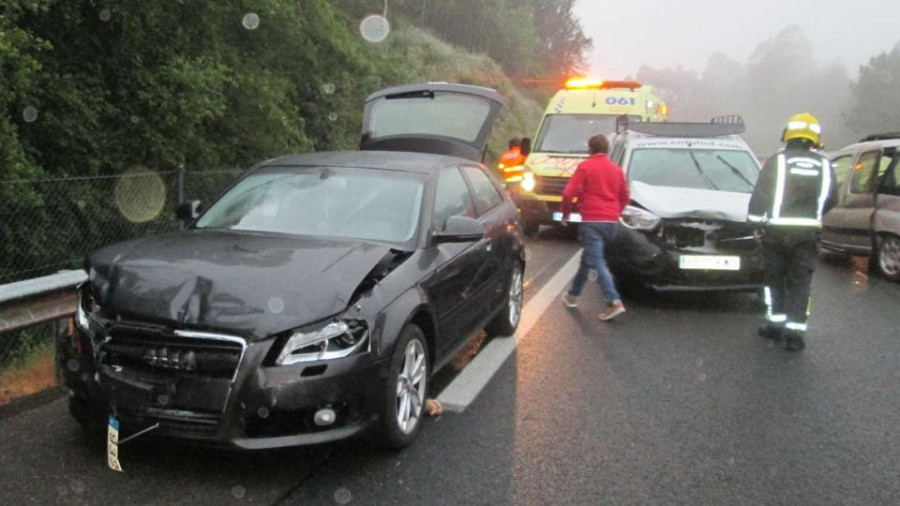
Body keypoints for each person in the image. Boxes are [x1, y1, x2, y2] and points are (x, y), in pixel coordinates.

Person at [747, 112, 837, 351]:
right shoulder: (825, 165)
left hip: (776, 233)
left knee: (774, 279)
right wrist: (812, 215)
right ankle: (795, 333)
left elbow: (761, 195)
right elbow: (831, 198)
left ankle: (775, 325)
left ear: (788, 135)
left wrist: (755, 222)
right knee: (800, 283)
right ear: (814, 138)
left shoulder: (777, 161)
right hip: (807, 235)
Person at [560, 134, 630, 321]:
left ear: (590, 149)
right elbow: (625, 197)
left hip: (592, 220)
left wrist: (566, 214)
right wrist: (615, 212)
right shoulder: (617, 170)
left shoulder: (586, 166)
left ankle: (613, 301)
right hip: (611, 222)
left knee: (597, 261)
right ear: (606, 149)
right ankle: (572, 295)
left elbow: (568, 193)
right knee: (588, 258)